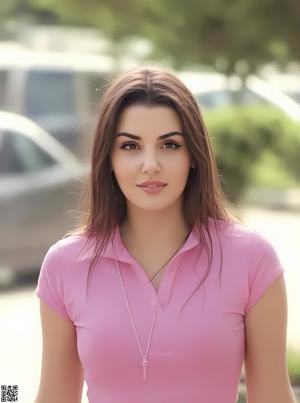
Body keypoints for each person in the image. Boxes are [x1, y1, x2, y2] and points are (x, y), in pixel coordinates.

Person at [34, 66, 296, 403]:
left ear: (194, 156)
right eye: (130, 146)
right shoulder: (64, 265)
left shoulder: (251, 259)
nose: (150, 164)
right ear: (108, 159)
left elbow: (273, 396)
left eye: (170, 145)